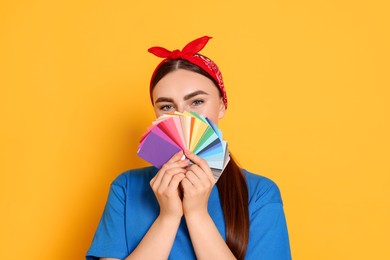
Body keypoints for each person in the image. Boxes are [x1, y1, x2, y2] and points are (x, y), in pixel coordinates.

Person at [86, 36, 291, 260]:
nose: (182, 116)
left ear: (222, 105)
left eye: (196, 102)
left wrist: (197, 214)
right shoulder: (126, 187)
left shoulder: (260, 193)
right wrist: (168, 217)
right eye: (166, 106)